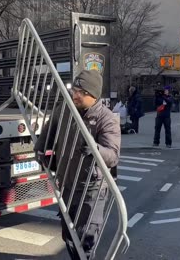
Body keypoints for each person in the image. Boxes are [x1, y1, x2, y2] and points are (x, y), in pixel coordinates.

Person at [34, 70, 120, 259]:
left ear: (93, 95)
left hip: (91, 189)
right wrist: (40, 150)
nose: (75, 95)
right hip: (67, 183)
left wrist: (95, 148)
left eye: (81, 92)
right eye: (74, 90)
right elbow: (49, 130)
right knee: (69, 235)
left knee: (85, 239)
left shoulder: (107, 119)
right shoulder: (65, 110)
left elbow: (113, 156)